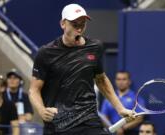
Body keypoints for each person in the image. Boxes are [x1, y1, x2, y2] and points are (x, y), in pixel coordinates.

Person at [29, 4, 135, 135]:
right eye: (75, 24)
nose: (79, 29)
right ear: (63, 24)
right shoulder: (45, 53)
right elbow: (34, 90)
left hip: (89, 120)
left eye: (83, 24)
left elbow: (101, 80)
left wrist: (120, 109)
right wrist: (41, 110)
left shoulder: (95, 47)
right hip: (58, 125)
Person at [101, 71, 144, 135]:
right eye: (118, 79)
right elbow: (104, 116)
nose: (121, 82)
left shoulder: (136, 97)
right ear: (115, 81)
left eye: (124, 79)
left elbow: (139, 118)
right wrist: (114, 128)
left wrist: (123, 128)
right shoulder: (109, 97)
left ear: (129, 81)